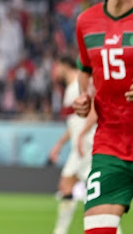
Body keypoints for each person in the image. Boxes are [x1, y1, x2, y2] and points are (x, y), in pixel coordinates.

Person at [73, 0, 133, 234]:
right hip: (110, 144)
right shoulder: (86, 21)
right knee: (97, 230)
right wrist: (83, 97)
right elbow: (85, 71)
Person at [49, 55, 97, 234]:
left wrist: (83, 135)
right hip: (80, 145)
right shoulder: (70, 88)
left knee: (92, 192)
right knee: (67, 185)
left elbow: (93, 109)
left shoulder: (79, 83)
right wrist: (59, 144)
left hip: (86, 145)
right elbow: (74, 122)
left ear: (63, 65)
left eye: (55, 67)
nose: (53, 72)